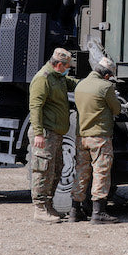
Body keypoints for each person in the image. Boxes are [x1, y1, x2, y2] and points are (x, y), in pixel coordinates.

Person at [71, 55, 123, 224]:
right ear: (107, 75)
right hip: (99, 137)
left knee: (81, 172)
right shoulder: (106, 86)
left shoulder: (81, 85)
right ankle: (98, 212)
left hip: (82, 136)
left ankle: (74, 211)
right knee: (100, 172)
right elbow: (116, 109)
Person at [29, 48, 78, 223]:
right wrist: (38, 133)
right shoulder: (43, 79)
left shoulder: (59, 78)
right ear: (58, 65)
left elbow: (75, 84)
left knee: (56, 169)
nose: (68, 69)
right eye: (66, 66)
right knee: (43, 170)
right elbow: (35, 107)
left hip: (56, 133)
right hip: (45, 133)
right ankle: (40, 209)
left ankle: (49, 206)